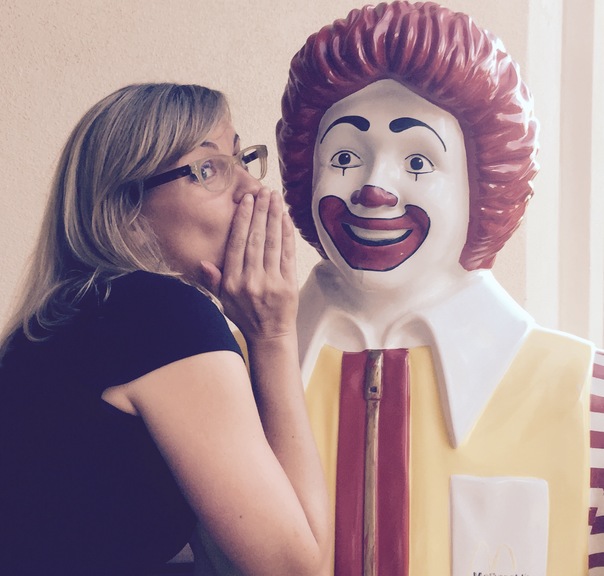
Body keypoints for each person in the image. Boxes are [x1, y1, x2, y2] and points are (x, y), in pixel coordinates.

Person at [276, 2, 600, 575]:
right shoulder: (226, 375)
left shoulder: (585, 393)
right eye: (346, 156)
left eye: (419, 161)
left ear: (483, 188)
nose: (375, 188)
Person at [0, 83, 330, 576]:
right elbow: (297, 568)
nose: (253, 190)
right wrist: (274, 336)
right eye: (208, 169)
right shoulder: (158, 315)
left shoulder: (62, 322)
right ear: (127, 211)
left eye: (242, 159)